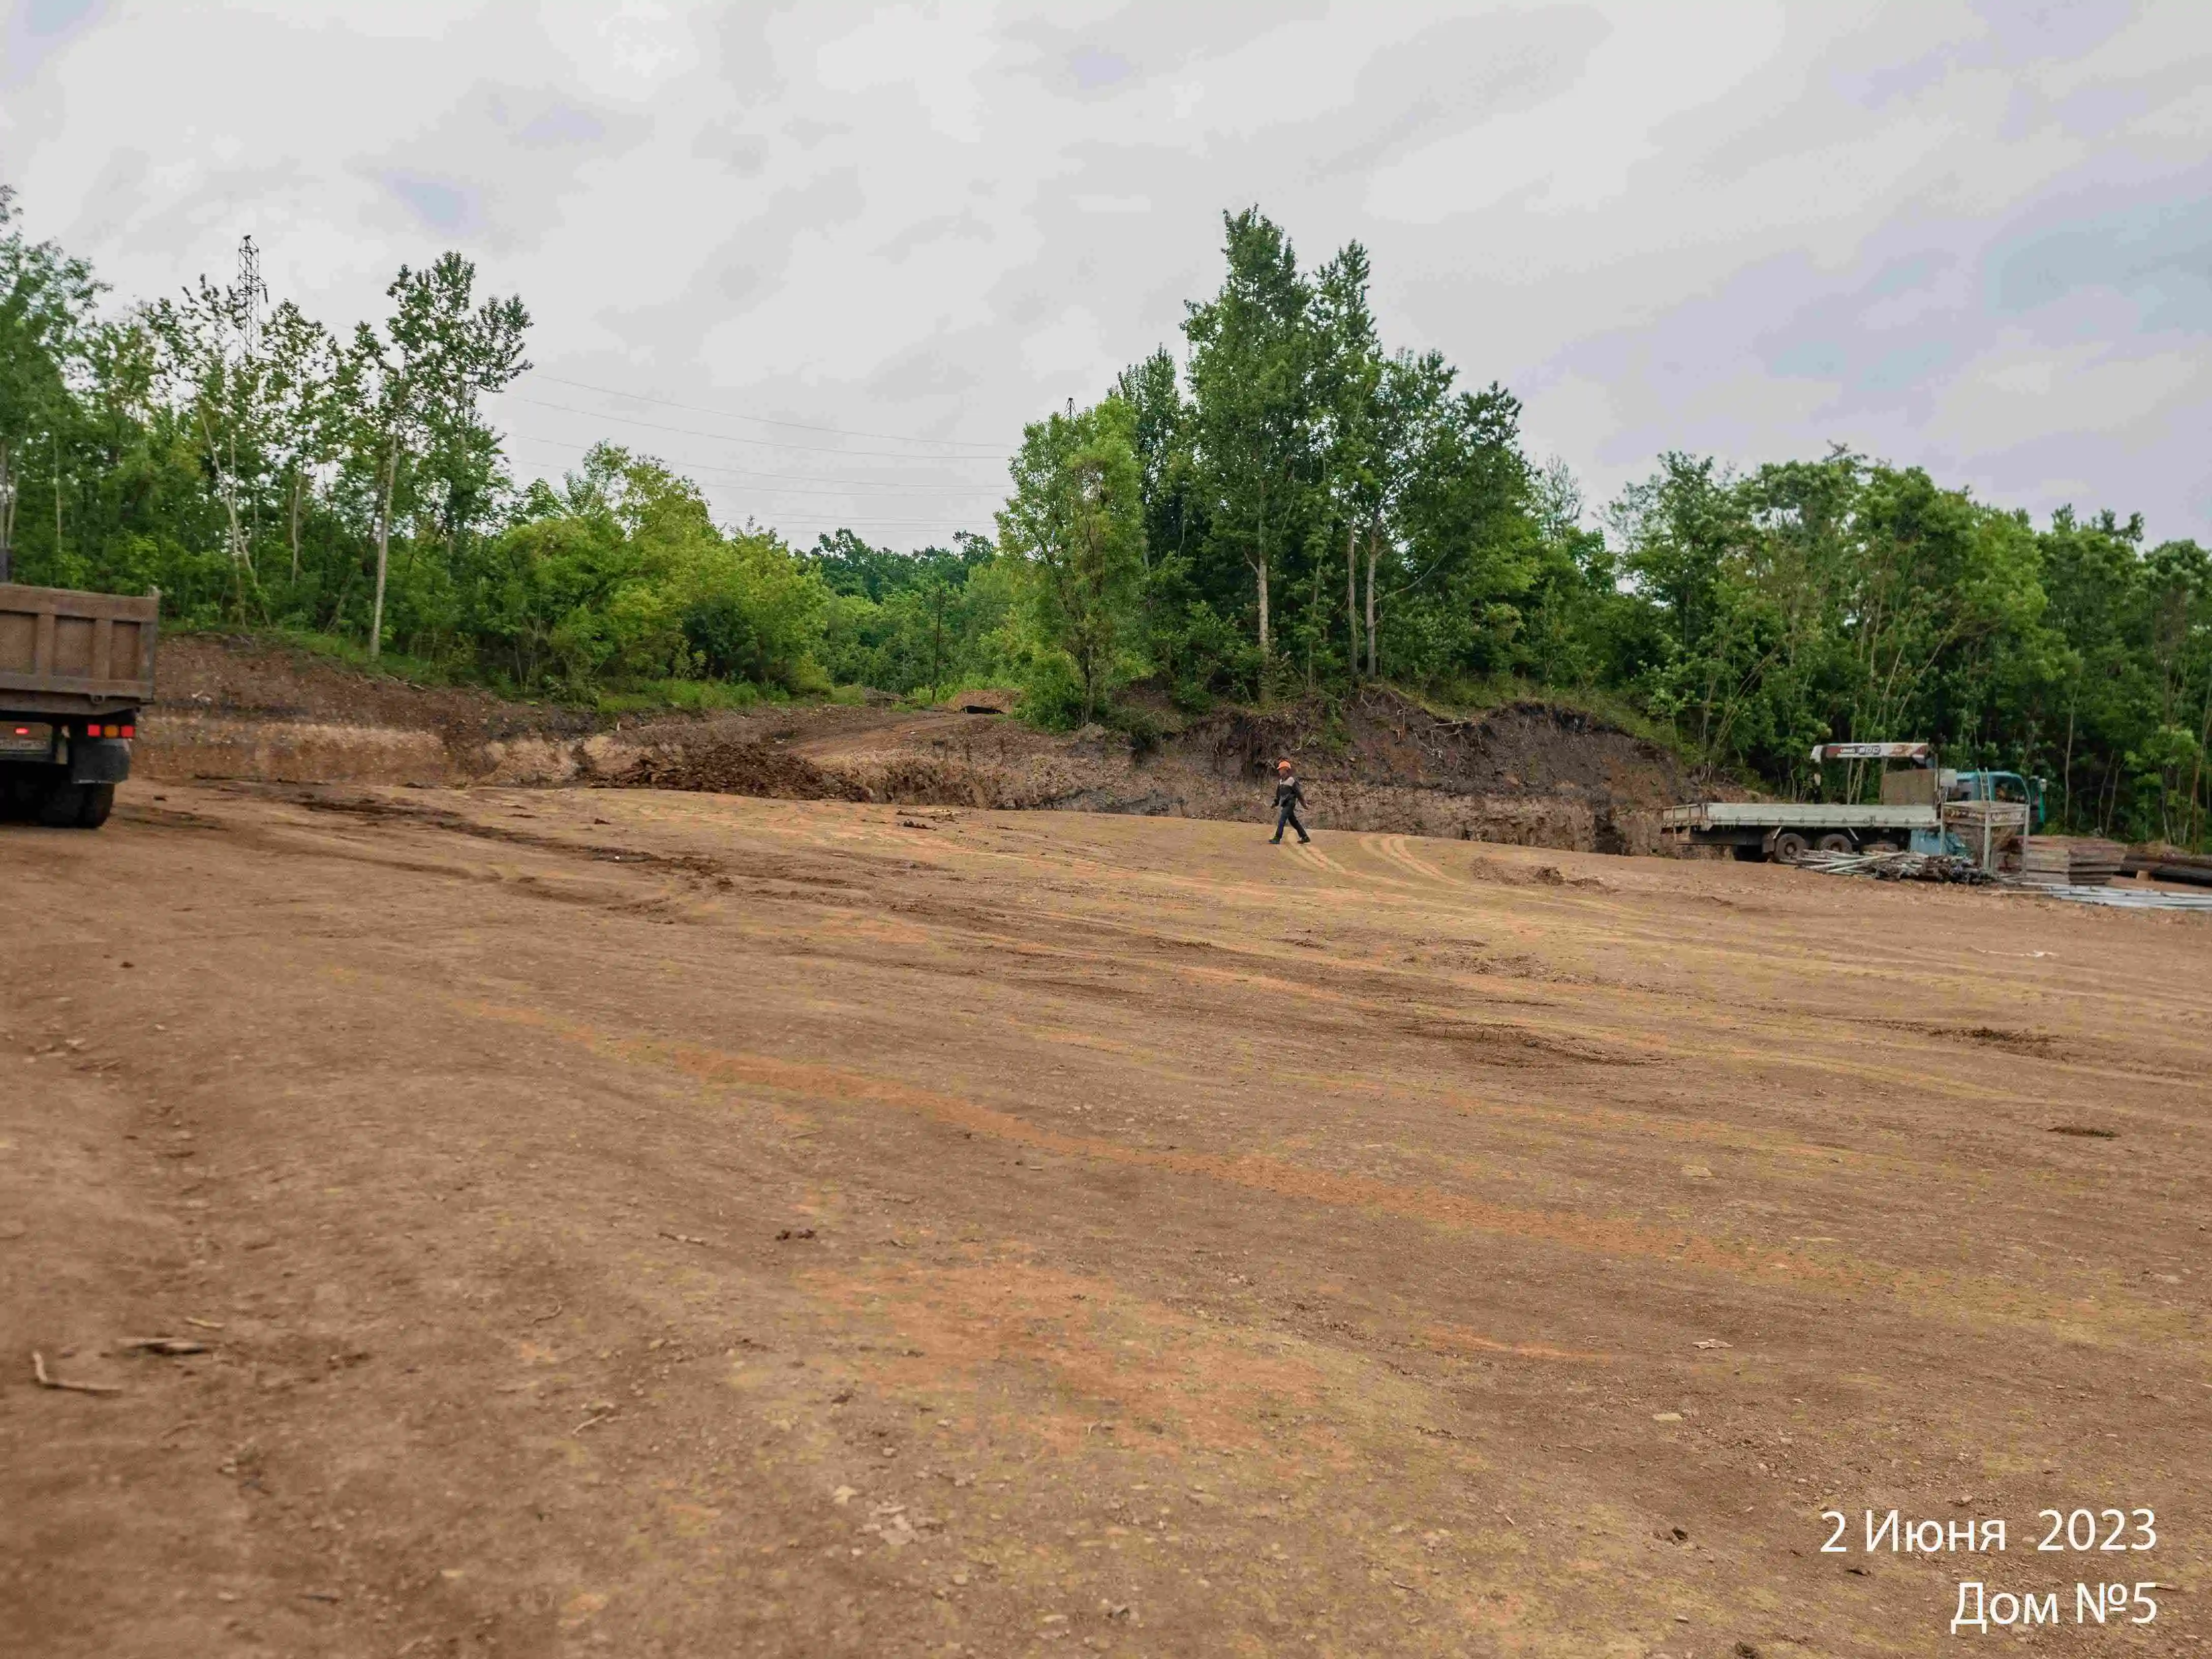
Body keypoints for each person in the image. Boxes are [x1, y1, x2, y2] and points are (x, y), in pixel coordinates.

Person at [1269, 758, 1310, 845]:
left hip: (1290, 803)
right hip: (1285, 804)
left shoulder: (1292, 781)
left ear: (1286, 770)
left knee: (1282, 820)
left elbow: (1299, 794)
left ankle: (1277, 838)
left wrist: (1304, 805)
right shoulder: (1281, 782)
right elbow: (1278, 795)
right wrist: (1275, 803)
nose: (1279, 771)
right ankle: (1305, 837)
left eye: (1280, 769)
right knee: (1293, 821)